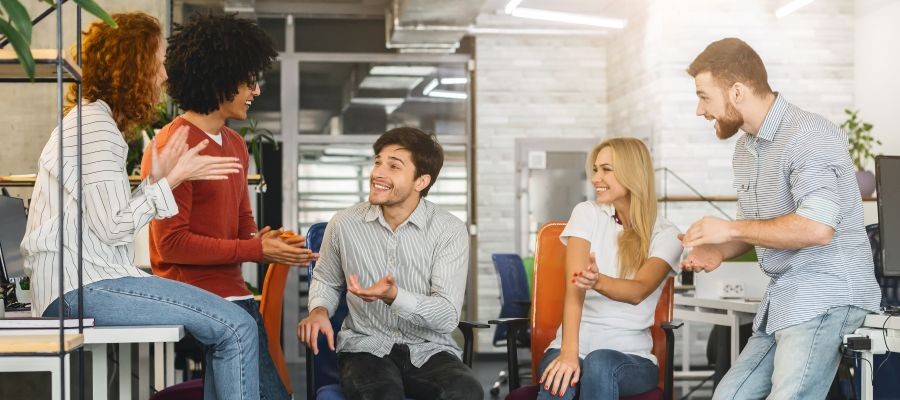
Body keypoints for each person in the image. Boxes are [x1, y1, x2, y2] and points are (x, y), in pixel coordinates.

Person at [20, 12, 262, 400]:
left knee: (232, 326)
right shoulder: (95, 130)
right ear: (135, 66)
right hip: (83, 287)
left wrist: (155, 182)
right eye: (158, 61)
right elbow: (114, 227)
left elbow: (104, 220)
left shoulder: (94, 124)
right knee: (236, 327)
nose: (165, 74)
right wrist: (170, 181)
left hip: (83, 283)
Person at [682, 37, 881, 399]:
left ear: (737, 91)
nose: (699, 110)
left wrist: (727, 228)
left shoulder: (809, 135)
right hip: (784, 301)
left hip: (826, 294)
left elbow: (817, 227)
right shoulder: (746, 148)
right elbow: (756, 228)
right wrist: (720, 250)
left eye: (704, 96)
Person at [139, 13, 316, 400]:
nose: (255, 91)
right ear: (221, 79)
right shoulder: (172, 146)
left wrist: (263, 242)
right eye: (248, 81)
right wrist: (256, 249)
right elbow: (172, 245)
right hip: (192, 298)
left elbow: (241, 219)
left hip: (231, 296)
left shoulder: (235, 145)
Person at [297, 127, 483, 400]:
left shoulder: (449, 230)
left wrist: (395, 297)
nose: (378, 173)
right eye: (377, 162)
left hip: (429, 348)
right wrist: (319, 310)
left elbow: (446, 316)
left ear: (421, 181)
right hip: (365, 347)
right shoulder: (344, 224)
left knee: (466, 392)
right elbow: (325, 279)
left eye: (393, 166)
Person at [536, 137, 683, 399]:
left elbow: (638, 291)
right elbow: (575, 290)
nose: (595, 179)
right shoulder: (587, 213)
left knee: (600, 363)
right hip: (570, 346)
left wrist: (598, 281)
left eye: (606, 169)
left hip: (631, 358)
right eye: (595, 169)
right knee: (562, 380)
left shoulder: (667, 235)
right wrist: (569, 353)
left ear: (632, 174)